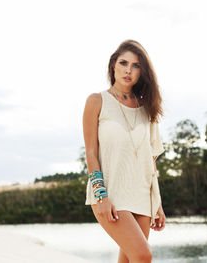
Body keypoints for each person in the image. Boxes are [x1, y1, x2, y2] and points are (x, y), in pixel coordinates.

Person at [83, 39, 166, 263]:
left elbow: (150, 160)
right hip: (110, 194)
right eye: (123, 63)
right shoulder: (97, 101)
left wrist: (157, 203)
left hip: (140, 194)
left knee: (129, 259)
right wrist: (101, 196)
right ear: (113, 66)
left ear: (142, 72)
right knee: (142, 255)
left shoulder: (147, 109)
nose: (128, 70)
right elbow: (91, 153)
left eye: (136, 65)